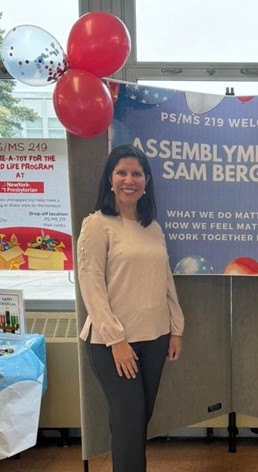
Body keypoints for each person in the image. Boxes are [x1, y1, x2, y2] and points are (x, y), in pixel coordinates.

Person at [77, 144, 185, 472]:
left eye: (136, 173)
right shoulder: (97, 224)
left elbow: (165, 281)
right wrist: (116, 340)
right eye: (121, 173)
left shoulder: (153, 228)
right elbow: (90, 283)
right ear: (110, 180)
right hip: (112, 344)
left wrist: (176, 329)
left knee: (135, 424)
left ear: (146, 181)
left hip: (155, 339)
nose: (129, 180)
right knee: (128, 425)